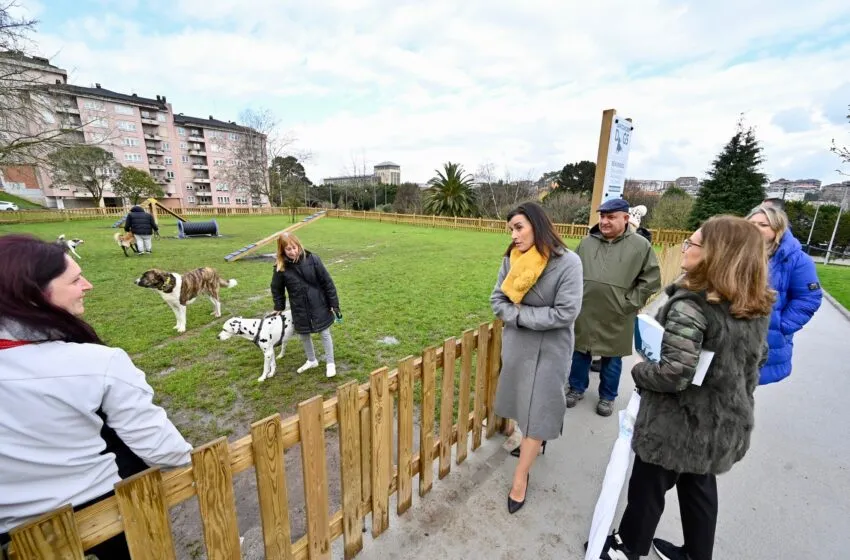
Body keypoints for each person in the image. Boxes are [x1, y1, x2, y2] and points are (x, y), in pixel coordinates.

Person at [0, 234, 192, 560]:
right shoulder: (98, 363)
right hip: (98, 515)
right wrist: (195, 465)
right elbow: (163, 450)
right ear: (33, 295)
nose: (87, 285)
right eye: (75, 280)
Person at [597, 216, 773, 560]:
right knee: (699, 488)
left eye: (692, 244)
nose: (686, 249)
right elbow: (758, 358)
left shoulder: (691, 306)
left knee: (648, 488)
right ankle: (696, 554)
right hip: (723, 420)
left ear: (716, 255)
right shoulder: (752, 304)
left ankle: (627, 548)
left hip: (676, 425)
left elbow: (673, 374)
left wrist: (640, 370)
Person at [490, 202, 583, 514]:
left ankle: (521, 477)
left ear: (537, 224)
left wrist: (520, 314)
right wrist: (519, 315)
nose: (514, 235)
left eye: (518, 227)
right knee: (521, 405)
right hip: (518, 346)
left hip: (550, 349)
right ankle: (535, 443)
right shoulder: (511, 259)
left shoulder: (568, 263)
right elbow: (497, 300)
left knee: (538, 410)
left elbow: (566, 312)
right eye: (511, 230)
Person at [567, 198, 661, 417]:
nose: (604, 221)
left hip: (618, 314)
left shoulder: (640, 246)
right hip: (586, 311)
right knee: (580, 352)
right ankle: (575, 389)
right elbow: (571, 272)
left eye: (611, 217)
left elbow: (651, 280)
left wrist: (628, 303)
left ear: (626, 218)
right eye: (602, 216)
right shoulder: (587, 243)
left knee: (612, 358)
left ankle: (607, 397)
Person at [746, 205, 822, 385]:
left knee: (746, 388)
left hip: (766, 338)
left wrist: (782, 326)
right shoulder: (735, 253)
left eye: (763, 225)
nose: (755, 228)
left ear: (778, 229)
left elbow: (809, 298)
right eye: (752, 223)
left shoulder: (797, 259)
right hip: (732, 333)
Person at [270, 232, 342, 378]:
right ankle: (311, 360)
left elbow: (327, 282)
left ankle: (330, 363)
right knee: (303, 334)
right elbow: (276, 288)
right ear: (282, 250)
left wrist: (333, 304)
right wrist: (279, 306)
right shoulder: (280, 267)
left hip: (319, 303)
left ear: (298, 245)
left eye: (294, 247)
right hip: (299, 306)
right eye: (288, 249)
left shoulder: (313, 259)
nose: (292, 251)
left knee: (324, 333)